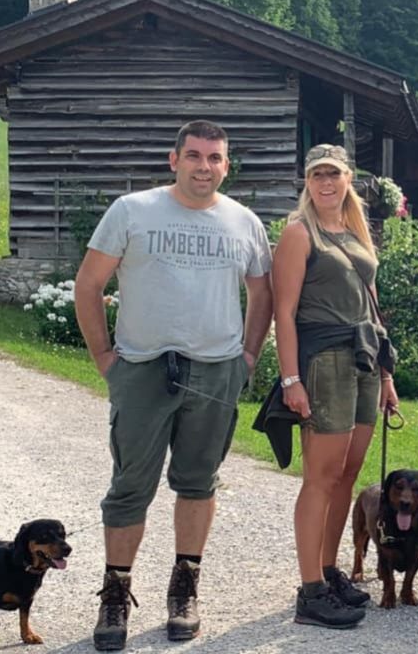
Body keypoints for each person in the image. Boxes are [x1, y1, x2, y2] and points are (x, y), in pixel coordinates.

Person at [74, 120, 273, 650]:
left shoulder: (244, 222)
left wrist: (247, 357)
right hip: (142, 367)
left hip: (216, 369)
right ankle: (116, 593)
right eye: (194, 156)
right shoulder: (133, 211)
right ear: (174, 160)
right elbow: (89, 285)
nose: (203, 167)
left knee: (198, 481)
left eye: (214, 158)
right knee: (129, 486)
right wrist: (105, 358)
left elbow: (262, 293)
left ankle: (185, 586)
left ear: (226, 166)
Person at [273, 143, 399, 629]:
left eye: (334, 174)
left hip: (366, 359)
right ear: (307, 181)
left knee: (347, 474)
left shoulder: (354, 232)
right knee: (320, 478)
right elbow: (284, 313)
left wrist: (387, 376)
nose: (326, 183)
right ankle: (310, 592)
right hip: (324, 360)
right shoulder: (297, 234)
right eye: (317, 175)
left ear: (348, 179)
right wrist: (291, 379)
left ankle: (328, 571)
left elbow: (372, 308)